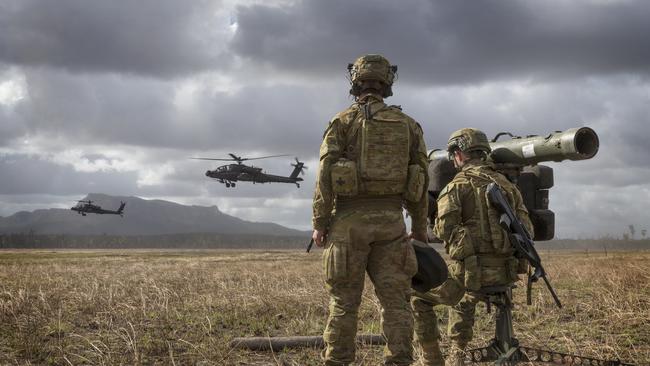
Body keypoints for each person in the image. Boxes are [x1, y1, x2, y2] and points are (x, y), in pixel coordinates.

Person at [312, 54, 429, 366]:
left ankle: (337, 361)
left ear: (355, 82)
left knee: (343, 303)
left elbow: (324, 176)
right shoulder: (409, 126)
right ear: (387, 84)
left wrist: (320, 222)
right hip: (392, 225)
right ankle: (399, 360)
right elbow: (421, 178)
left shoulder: (342, 122)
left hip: (347, 225)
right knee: (396, 303)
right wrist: (419, 228)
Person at [411, 128, 534, 366]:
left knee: (417, 296)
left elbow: (445, 230)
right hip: (505, 274)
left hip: (470, 277)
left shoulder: (455, 187)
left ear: (458, 154)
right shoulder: (509, 187)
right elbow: (527, 229)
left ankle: (436, 358)